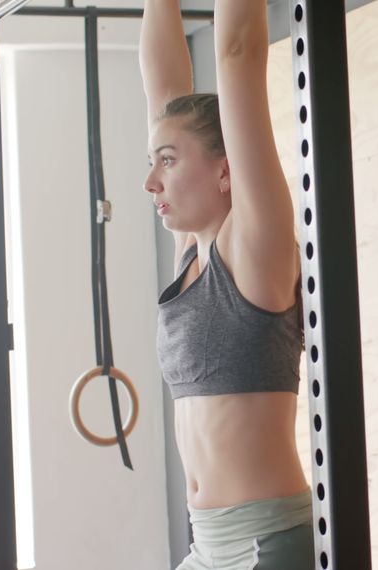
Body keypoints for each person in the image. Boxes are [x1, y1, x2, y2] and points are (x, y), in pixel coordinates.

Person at [140, 1, 314, 568]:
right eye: (153, 161)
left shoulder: (254, 244)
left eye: (167, 161)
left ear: (224, 169)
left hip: (266, 542)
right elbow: (162, 84)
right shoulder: (190, 253)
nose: (150, 181)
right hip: (206, 545)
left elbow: (237, 51)